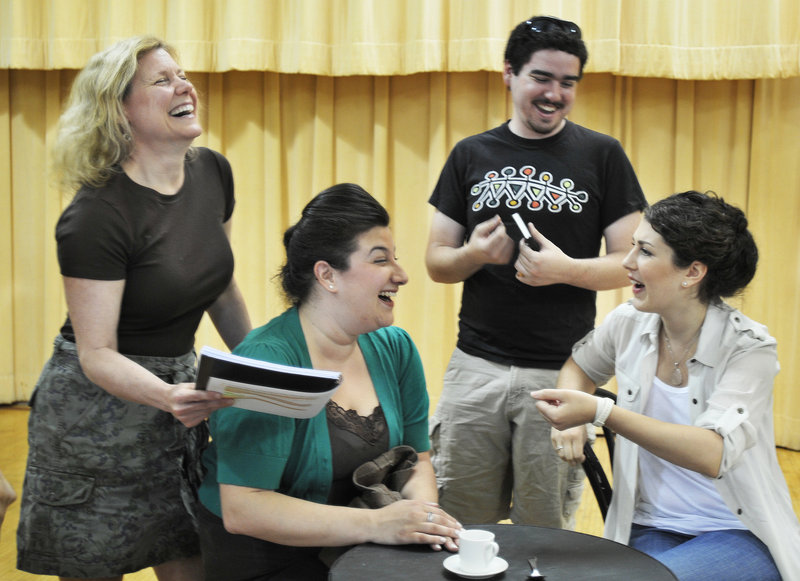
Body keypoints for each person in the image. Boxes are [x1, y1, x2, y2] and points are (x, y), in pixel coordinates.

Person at [16, 36, 252, 580]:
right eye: (162, 79)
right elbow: (96, 354)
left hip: (177, 401)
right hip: (96, 417)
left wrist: (263, 367)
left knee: (192, 561)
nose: (184, 85)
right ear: (118, 110)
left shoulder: (213, 172)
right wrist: (168, 396)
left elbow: (218, 284)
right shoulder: (97, 213)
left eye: (183, 73)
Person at [425, 15, 647, 528]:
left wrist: (565, 270)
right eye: (541, 78)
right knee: (459, 523)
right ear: (509, 73)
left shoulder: (603, 154)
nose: (554, 94)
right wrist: (474, 256)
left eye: (568, 83)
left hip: (563, 370)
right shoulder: (471, 153)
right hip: (474, 367)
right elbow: (437, 260)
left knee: (543, 530)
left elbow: (630, 265)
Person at [197, 183, 462, 581]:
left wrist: (418, 520)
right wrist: (381, 526)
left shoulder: (396, 347)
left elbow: (417, 462)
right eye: (380, 260)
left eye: (397, 259)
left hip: (359, 544)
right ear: (327, 275)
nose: (402, 275)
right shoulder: (265, 361)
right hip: (268, 556)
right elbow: (244, 508)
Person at [532, 191, 800, 580]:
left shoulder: (749, 349)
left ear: (692, 273)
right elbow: (579, 366)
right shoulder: (629, 322)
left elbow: (713, 452)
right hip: (648, 525)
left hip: (737, 530)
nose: (626, 263)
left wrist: (601, 412)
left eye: (644, 251)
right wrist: (573, 421)